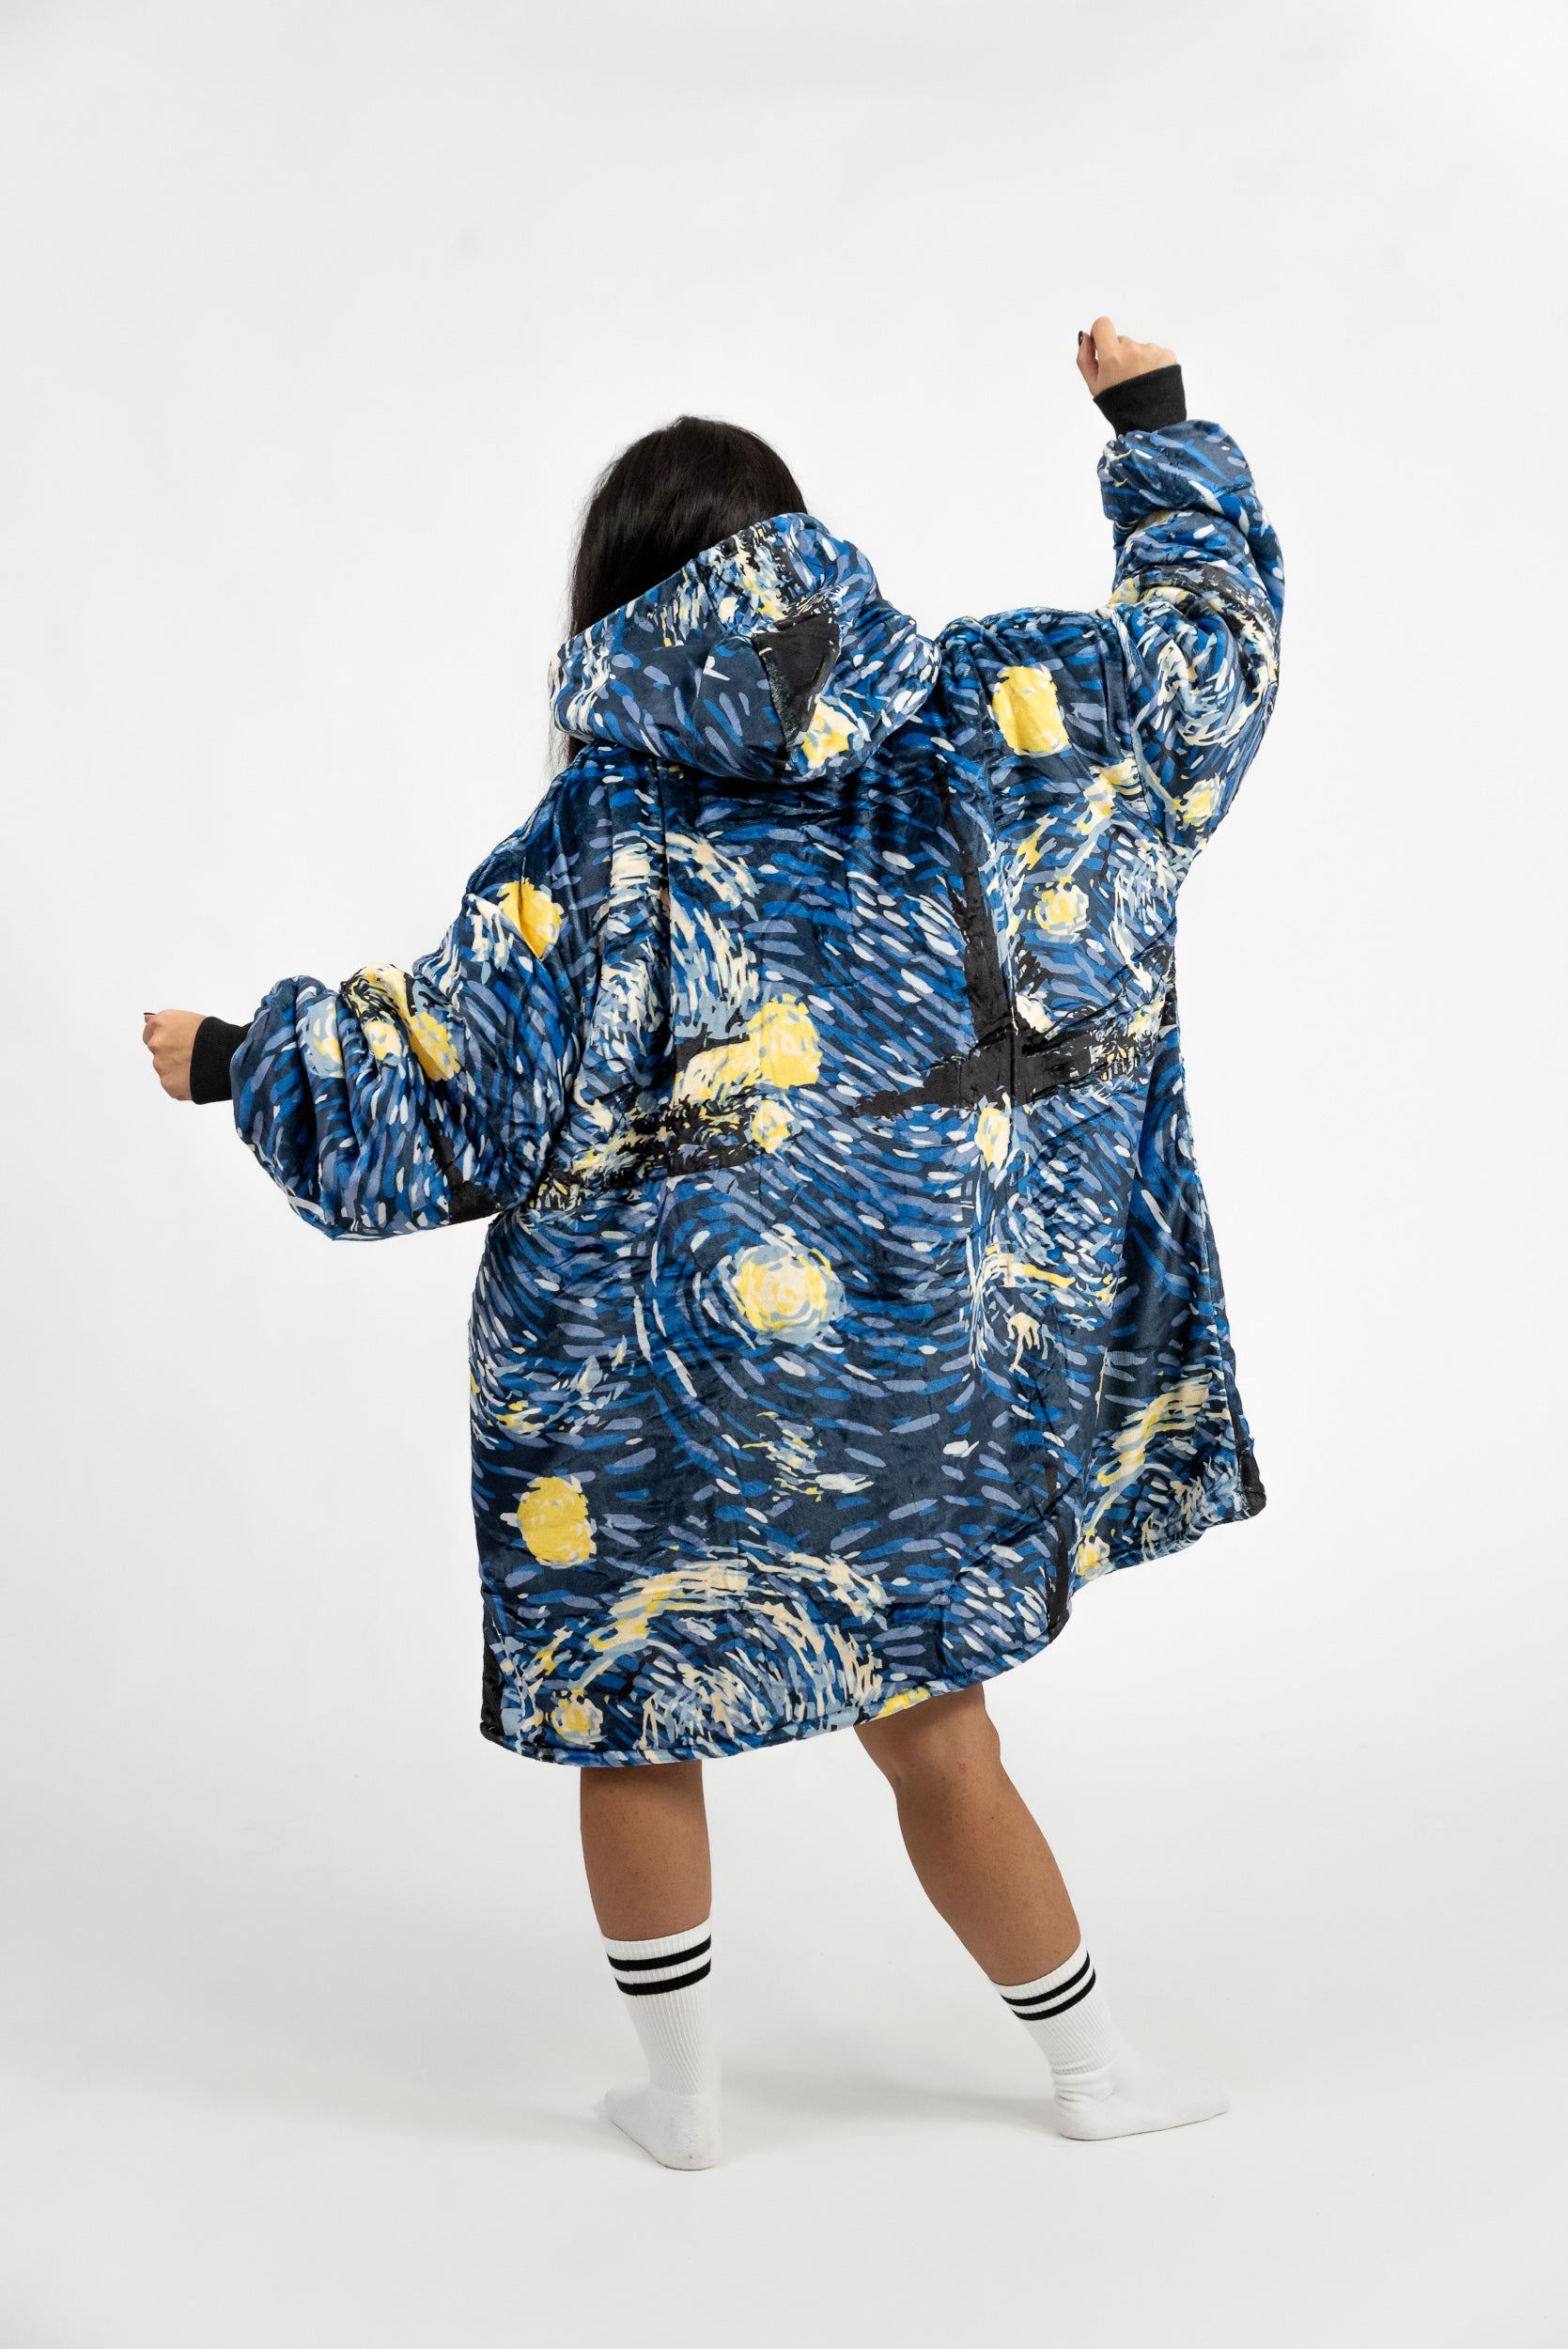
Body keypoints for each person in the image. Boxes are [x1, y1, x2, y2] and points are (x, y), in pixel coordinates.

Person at [145, 317, 1282, 2171]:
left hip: (651, 1388)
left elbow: (442, 1088)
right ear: (803, 543)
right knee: (937, 1730)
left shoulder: (592, 833)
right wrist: (1151, 425)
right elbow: (1199, 670)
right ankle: (1089, 2071)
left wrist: (242, 1057)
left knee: (635, 1713)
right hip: (923, 1362)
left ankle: (679, 2103)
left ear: (613, 598)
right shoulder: (990, 714)